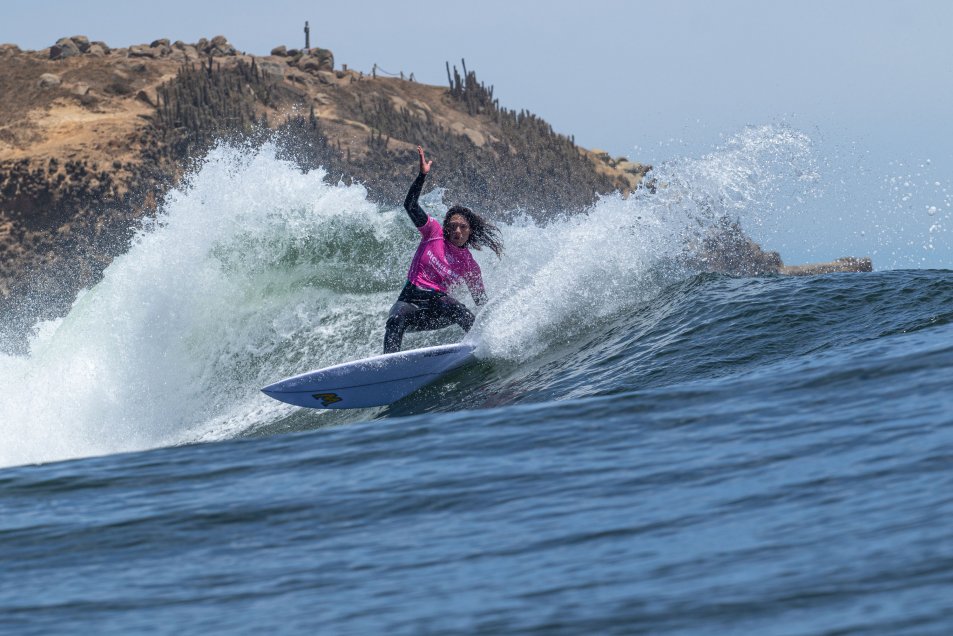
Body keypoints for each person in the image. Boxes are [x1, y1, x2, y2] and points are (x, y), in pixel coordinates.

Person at [383, 146, 504, 353]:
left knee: (461, 311)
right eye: (453, 226)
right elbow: (410, 205)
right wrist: (422, 176)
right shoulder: (433, 233)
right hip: (410, 301)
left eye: (463, 227)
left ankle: (482, 348)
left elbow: (481, 303)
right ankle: (388, 366)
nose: (457, 230)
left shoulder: (469, 264)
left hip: (437, 309)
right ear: (446, 227)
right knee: (394, 320)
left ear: (470, 231)